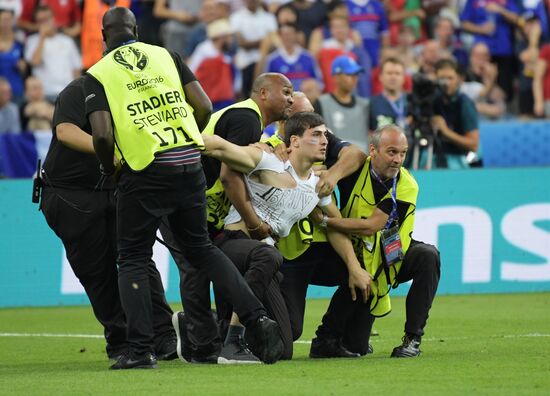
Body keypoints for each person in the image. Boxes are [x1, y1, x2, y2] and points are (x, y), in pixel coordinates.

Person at [84, 7, 283, 370]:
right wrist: (186, 137)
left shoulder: (98, 74)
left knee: (132, 258)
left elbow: (100, 133)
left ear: (103, 37)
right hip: (188, 164)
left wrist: (109, 166)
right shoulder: (166, 56)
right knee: (202, 249)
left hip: (143, 172)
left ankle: (141, 350)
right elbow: (204, 105)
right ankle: (256, 318)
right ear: (136, 29)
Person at [203, 112, 371, 363]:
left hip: (266, 262)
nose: (324, 140)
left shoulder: (317, 185)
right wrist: (177, 136)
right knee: (268, 253)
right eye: (316, 135)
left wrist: (354, 265)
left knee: (284, 346)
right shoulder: (269, 161)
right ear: (294, 141)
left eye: (325, 135)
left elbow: (335, 226)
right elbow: (218, 146)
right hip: (232, 244)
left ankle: (201, 326)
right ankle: (233, 340)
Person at [39, 76, 178, 363]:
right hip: (70, 194)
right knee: (96, 272)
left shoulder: (137, 94)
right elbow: (65, 131)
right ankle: (121, 340)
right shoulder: (79, 90)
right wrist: (110, 152)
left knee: (138, 259)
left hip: (119, 189)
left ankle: (164, 335)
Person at [164, 72, 294, 364]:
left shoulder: (249, 122)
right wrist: (252, 222)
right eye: (285, 91)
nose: (290, 98)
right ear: (262, 93)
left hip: (193, 203)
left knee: (200, 267)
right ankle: (200, 344)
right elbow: (228, 174)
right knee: (195, 269)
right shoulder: (246, 118)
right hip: (181, 199)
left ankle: (197, 331)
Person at [305, 124, 441, 358]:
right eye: (391, 152)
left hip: (391, 259)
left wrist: (326, 222)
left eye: (403, 153)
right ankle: (326, 338)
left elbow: (372, 226)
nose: (398, 160)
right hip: (355, 254)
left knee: (428, 256)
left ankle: (412, 339)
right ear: (373, 150)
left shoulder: (407, 185)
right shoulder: (354, 169)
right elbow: (317, 134)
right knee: (354, 345)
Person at [24, 5, 82, 102]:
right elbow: (35, 62)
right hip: (43, 95)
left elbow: (76, 70)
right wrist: (42, 37)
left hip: (67, 93)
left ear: (53, 19)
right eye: (40, 21)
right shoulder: (32, 41)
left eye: (46, 19)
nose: (44, 23)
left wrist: (77, 93)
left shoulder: (67, 41)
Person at [430, 58, 480, 169]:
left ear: (459, 79)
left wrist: (446, 132)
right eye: (442, 79)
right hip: (433, 157)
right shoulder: (433, 101)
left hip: (459, 160)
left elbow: (473, 144)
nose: (446, 83)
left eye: (450, 78)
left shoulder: (464, 104)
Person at [314, 55, 369, 151]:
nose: (354, 78)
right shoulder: (321, 103)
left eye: (356, 74)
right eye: (349, 74)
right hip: (335, 161)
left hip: (364, 161)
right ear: (336, 77)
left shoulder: (365, 105)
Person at [369, 56, 408, 132]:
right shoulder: (371, 104)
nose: (393, 77)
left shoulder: (412, 101)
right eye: (389, 73)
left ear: (404, 78)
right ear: (380, 77)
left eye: (397, 73)